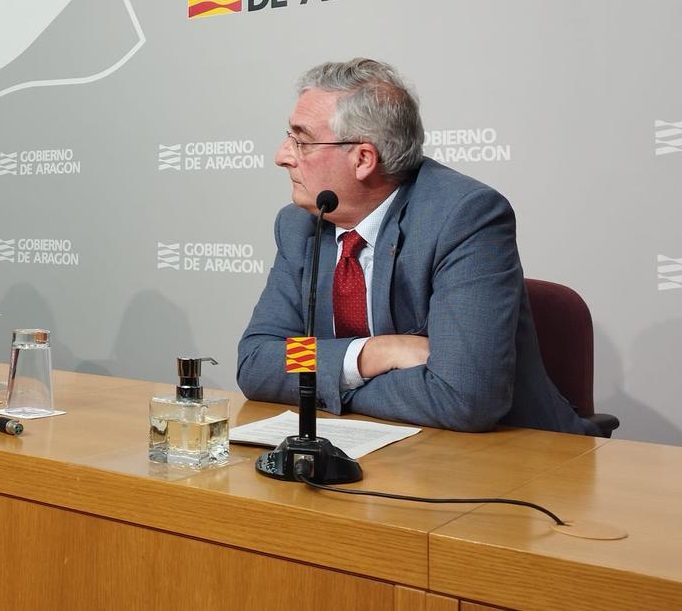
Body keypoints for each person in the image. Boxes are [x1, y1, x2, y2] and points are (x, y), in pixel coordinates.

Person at [237, 59, 599, 435]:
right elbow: (258, 360)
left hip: (518, 457)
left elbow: (464, 396)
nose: (282, 155)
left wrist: (324, 383)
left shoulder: (463, 217)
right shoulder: (300, 225)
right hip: (385, 447)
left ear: (363, 159)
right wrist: (370, 356)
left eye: (302, 141)